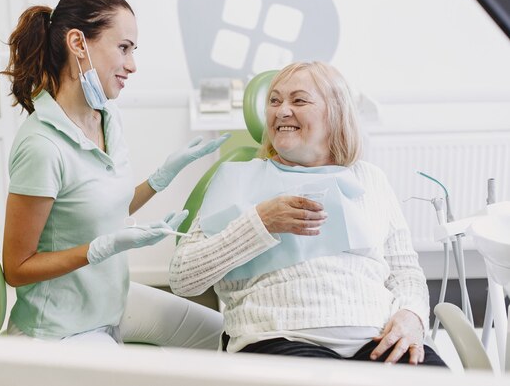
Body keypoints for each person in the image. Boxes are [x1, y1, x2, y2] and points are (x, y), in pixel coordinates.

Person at [169, 61, 447, 366]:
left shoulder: (369, 179)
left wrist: (412, 316)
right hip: (280, 335)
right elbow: (184, 278)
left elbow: (406, 271)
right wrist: (261, 223)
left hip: (377, 337)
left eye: (298, 100)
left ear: (335, 113)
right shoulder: (236, 178)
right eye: (274, 101)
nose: (282, 111)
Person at [0, 0, 228, 345]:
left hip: (110, 303)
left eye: (133, 50)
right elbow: (17, 268)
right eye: (123, 48)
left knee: (218, 334)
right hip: (60, 329)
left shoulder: (105, 115)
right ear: (78, 44)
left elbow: (102, 208)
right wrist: (100, 249)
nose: (132, 65)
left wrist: (161, 178)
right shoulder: (42, 145)